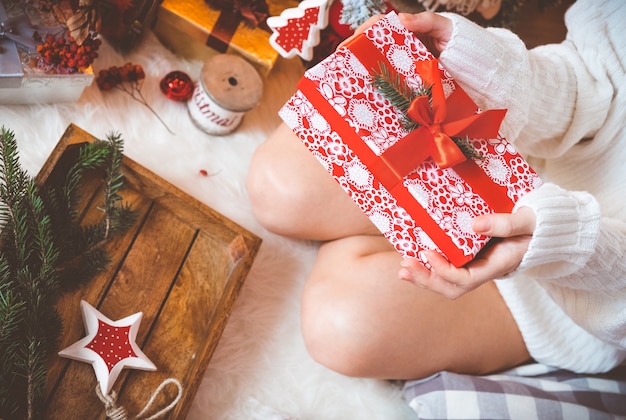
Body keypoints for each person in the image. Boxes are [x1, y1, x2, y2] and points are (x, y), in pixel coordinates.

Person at [246, 0, 626, 380]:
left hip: (565, 296)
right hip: (490, 152)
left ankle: (379, 242)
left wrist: (565, 243)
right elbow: (592, 78)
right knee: (274, 186)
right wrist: (480, 68)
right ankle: (390, 235)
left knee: (341, 325)